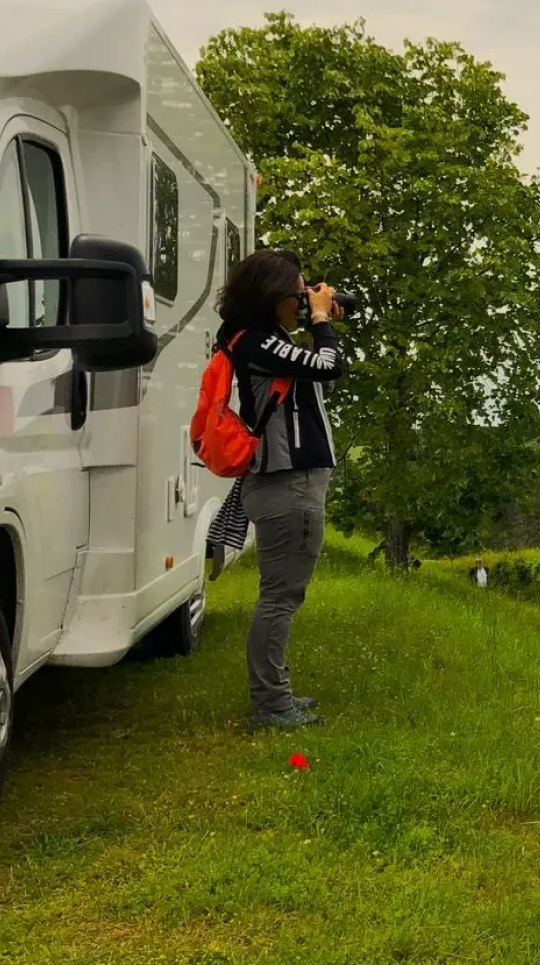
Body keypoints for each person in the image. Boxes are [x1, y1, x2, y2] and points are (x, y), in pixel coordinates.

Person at [214, 249, 345, 729]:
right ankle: (271, 706)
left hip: (285, 483)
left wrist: (317, 322)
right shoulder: (257, 344)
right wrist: (320, 323)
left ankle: (276, 695)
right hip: (285, 484)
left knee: (282, 595)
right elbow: (329, 367)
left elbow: (313, 371)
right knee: (280, 597)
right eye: (299, 290)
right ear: (275, 296)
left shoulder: (263, 340)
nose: (305, 297)